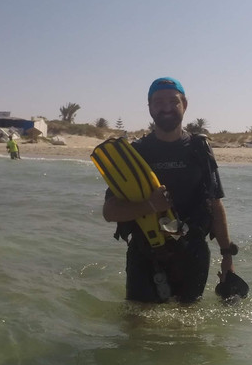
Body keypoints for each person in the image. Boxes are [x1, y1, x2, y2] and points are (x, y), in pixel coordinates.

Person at [101, 77, 239, 303]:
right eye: (158, 101)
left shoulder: (199, 149)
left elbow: (215, 203)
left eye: (173, 101)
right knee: (137, 328)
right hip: (145, 254)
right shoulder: (136, 153)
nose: (166, 107)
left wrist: (227, 257)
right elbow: (109, 212)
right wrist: (151, 205)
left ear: (184, 104)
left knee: (186, 329)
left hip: (192, 254)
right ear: (149, 107)